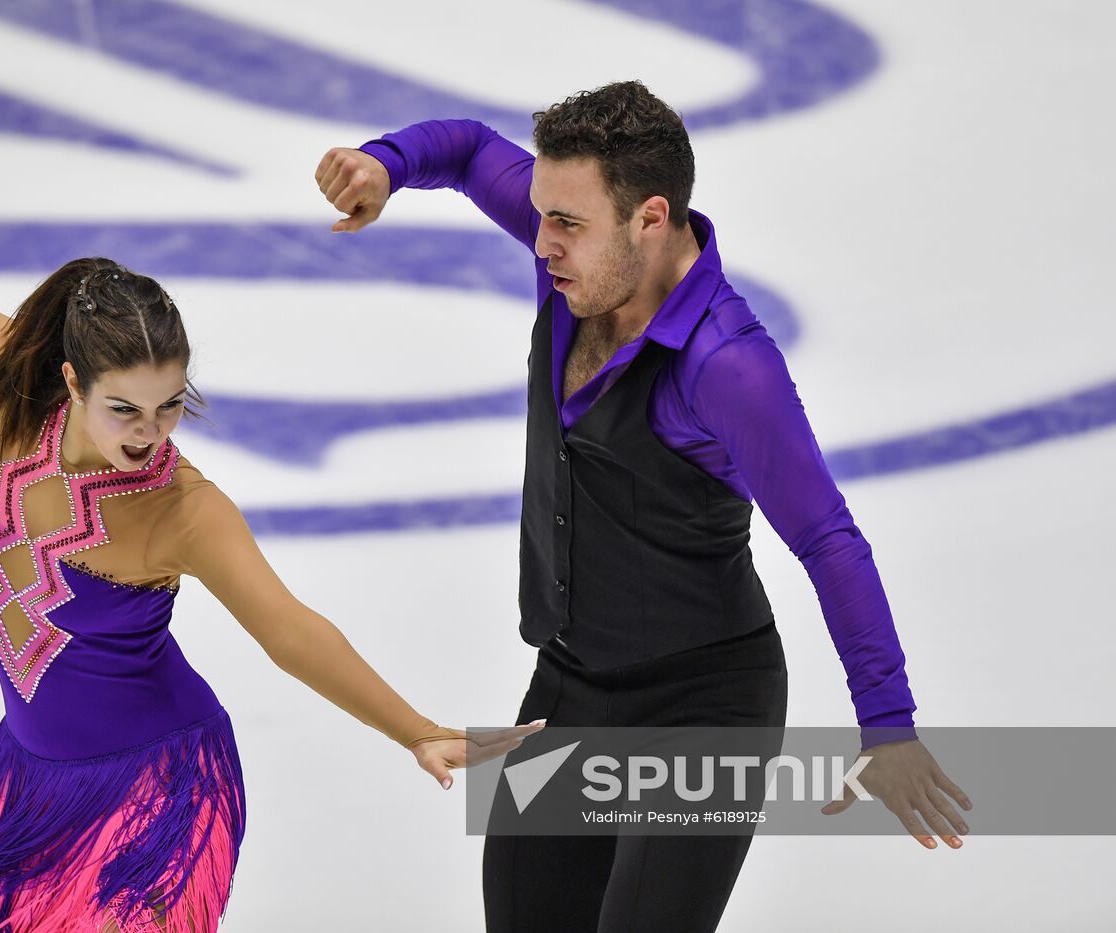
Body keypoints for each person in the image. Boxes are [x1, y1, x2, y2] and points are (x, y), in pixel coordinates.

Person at [0, 12, 542, 932]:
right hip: (29, 783)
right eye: (126, 408)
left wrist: (417, 728)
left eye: (170, 405)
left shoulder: (186, 510)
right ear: (72, 381)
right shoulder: (17, 392)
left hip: (159, 799)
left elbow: (289, 630)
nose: (151, 433)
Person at [316, 81, 972, 932]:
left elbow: (828, 539)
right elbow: (475, 149)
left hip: (703, 707)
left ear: (651, 218)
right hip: (573, 682)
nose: (542, 240)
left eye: (568, 224)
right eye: (544, 214)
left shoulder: (727, 366)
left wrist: (888, 724)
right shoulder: (584, 253)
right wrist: (387, 163)